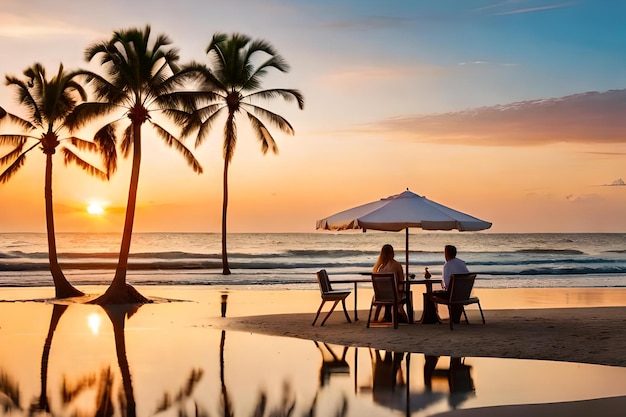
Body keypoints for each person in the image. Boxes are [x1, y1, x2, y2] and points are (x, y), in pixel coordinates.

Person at [372, 244, 408, 322]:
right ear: (392, 252)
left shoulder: (380, 267)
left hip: (380, 296)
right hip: (394, 295)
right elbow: (401, 280)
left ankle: (376, 319)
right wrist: (401, 291)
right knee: (406, 295)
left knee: (382, 294)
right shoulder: (397, 265)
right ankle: (407, 320)